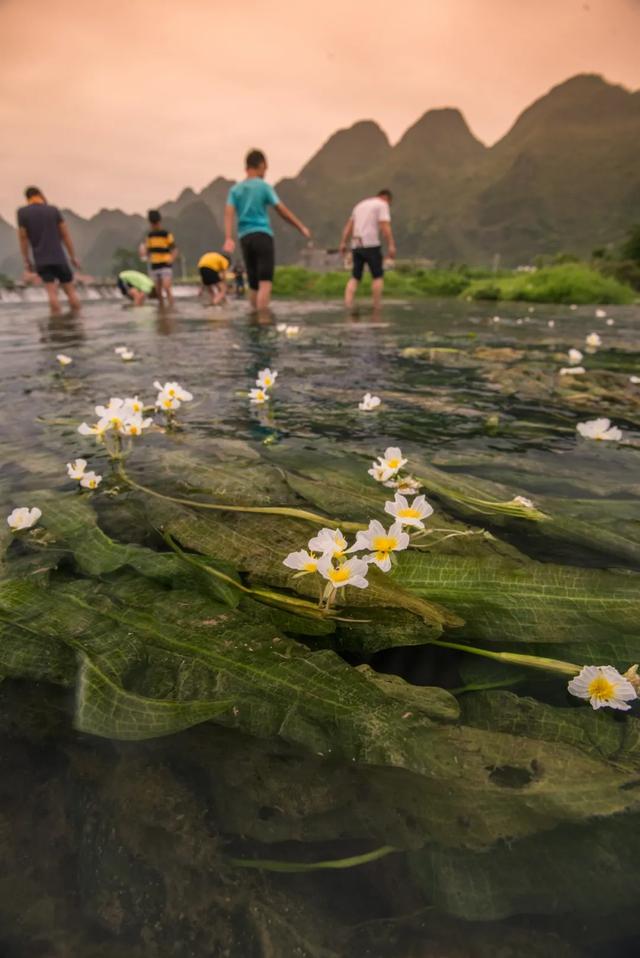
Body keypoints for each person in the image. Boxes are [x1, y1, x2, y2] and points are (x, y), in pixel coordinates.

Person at [223, 149, 311, 311]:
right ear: (261, 165)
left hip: (245, 238)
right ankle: (263, 320)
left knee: (254, 284)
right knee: (265, 282)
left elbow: (228, 212)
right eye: (265, 169)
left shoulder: (235, 190)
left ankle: (254, 319)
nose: (265, 172)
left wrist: (229, 237)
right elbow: (281, 210)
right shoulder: (264, 187)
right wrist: (301, 227)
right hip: (262, 236)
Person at [17, 186, 82, 314]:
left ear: (27, 198)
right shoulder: (53, 210)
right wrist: (72, 256)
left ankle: (55, 326)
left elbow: (23, 238)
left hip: (41, 259)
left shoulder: (22, 213)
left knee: (52, 293)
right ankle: (78, 322)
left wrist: (26, 259)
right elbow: (65, 235)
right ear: (40, 194)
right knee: (70, 292)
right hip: (59, 258)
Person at [339, 189, 396, 311]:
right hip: (371, 244)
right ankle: (376, 306)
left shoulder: (360, 205)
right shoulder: (382, 204)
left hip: (356, 245)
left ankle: (348, 304)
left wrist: (343, 242)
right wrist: (391, 244)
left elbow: (349, 225)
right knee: (377, 276)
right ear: (387, 199)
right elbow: (385, 225)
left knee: (355, 276)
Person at [142, 210, 177, 307]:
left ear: (159, 222)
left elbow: (174, 249)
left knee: (167, 287)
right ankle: (162, 310)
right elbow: (147, 252)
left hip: (165, 264)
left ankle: (171, 307)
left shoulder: (166, 234)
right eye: (152, 223)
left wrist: (172, 258)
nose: (154, 225)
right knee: (158, 291)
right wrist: (143, 253)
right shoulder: (149, 236)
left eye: (155, 223)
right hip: (155, 265)